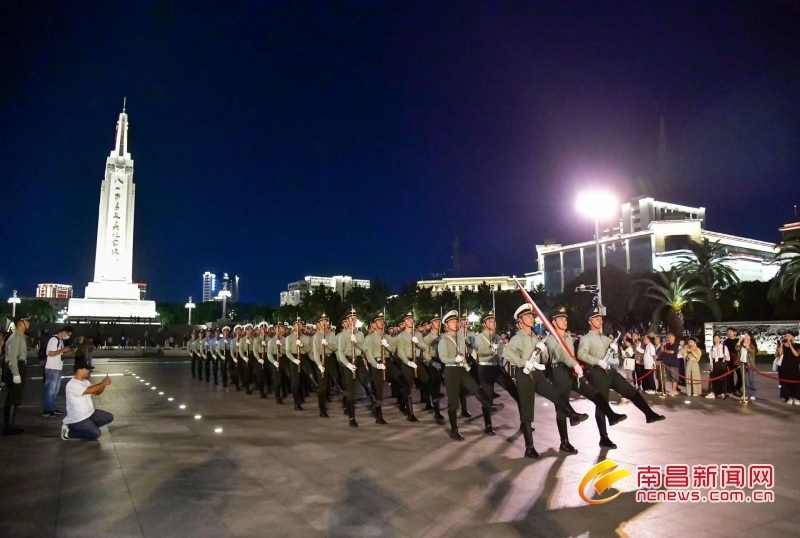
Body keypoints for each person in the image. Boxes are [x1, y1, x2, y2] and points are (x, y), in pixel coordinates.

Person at [544, 306, 627, 452]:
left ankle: (609, 421)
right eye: (561, 319)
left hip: (572, 371)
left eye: (565, 319)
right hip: (560, 372)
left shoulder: (568, 337)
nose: (565, 321)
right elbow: (561, 353)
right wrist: (575, 364)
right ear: (554, 322)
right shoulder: (551, 338)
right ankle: (564, 442)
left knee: (594, 393)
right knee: (562, 407)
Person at [578, 308, 664, 429]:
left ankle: (649, 414)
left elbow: (615, 358)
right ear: (590, 321)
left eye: (601, 318)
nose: (600, 321)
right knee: (602, 404)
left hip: (610, 371)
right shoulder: (586, 338)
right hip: (597, 372)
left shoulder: (605, 338)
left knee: (630, 391)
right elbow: (581, 354)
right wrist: (598, 362)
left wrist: (615, 351)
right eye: (596, 319)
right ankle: (604, 436)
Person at [438, 310, 503, 442]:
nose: (455, 323)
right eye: (452, 322)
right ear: (446, 325)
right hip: (451, 371)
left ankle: (489, 405)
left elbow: (466, 348)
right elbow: (443, 358)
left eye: (456, 321)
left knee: (475, 388)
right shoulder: (443, 340)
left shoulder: (460, 337)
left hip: (462, 369)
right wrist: (454, 359)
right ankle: (454, 429)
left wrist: (465, 362)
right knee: (453, 403)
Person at [60, 360, 114, 441]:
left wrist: (104, 385)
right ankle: (69, 433)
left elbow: (97, 392)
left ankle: (88, 428)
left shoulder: (85, 382)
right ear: (79, 370)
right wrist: (102, 383)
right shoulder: (72, 384)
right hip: (78, 419)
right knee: (96, 434)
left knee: (109, 417)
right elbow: (88, 390)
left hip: (90, 414)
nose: (89, 371)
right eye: (87, 369)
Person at [3, 317, 30, 435]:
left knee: (15, 397)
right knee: (13, 397)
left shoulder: (20, 337)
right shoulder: (15, 337)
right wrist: (16, 374)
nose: (29, 323)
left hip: (19, 366)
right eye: (27, 321)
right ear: (20, 324)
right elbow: (12, 357)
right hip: (16, 367)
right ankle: (8, 427)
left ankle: (10, 425)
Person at [43, 325, 74, 418]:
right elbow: (50, 353)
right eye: (68, 334)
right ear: (64, 332)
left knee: (55, 390)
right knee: (50, 390)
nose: (68, 336)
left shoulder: (60, 341)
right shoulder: (54, 340)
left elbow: (60, 354)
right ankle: (47, 410)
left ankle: (52, 408)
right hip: (52, 368)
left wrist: (70, 351)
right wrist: (63, 350)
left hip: (58, 367)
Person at [775, 330, 800, 404]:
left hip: (794, 367)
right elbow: (780, 354)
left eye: (789, 336)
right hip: (784, 367)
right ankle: (788, 397)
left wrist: (790, 345)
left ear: (793, 337)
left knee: (795, 382)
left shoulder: (796, 345)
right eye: (786, 336)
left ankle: (795, 397)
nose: (787, 337)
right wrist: (781, 345)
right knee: (785, 382)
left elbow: (796, 354)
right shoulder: (782, 345)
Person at [706, 333, 731, 399]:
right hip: (715, 363)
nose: (716, 340)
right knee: (715, 378)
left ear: (720, 339)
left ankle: (723, 392)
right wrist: (711, 365)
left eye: (718, 338)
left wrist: (725, 357)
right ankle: (715, 392)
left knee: (723, 378)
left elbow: (728, 357)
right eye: (715, 338)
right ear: (713, 340)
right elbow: (711, 357)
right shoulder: (712, 348)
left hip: (722, 363)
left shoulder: (724, 347)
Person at [724, 328, 742, 396]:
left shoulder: (738, 340)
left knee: (740, 376)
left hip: (737, 360)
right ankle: (731, 390)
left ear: (735, 333)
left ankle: (737, 388)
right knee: (730, 376)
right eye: (728, 331)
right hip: (729, 361)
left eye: (730, 331)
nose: (729, 333)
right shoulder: (726, 342)